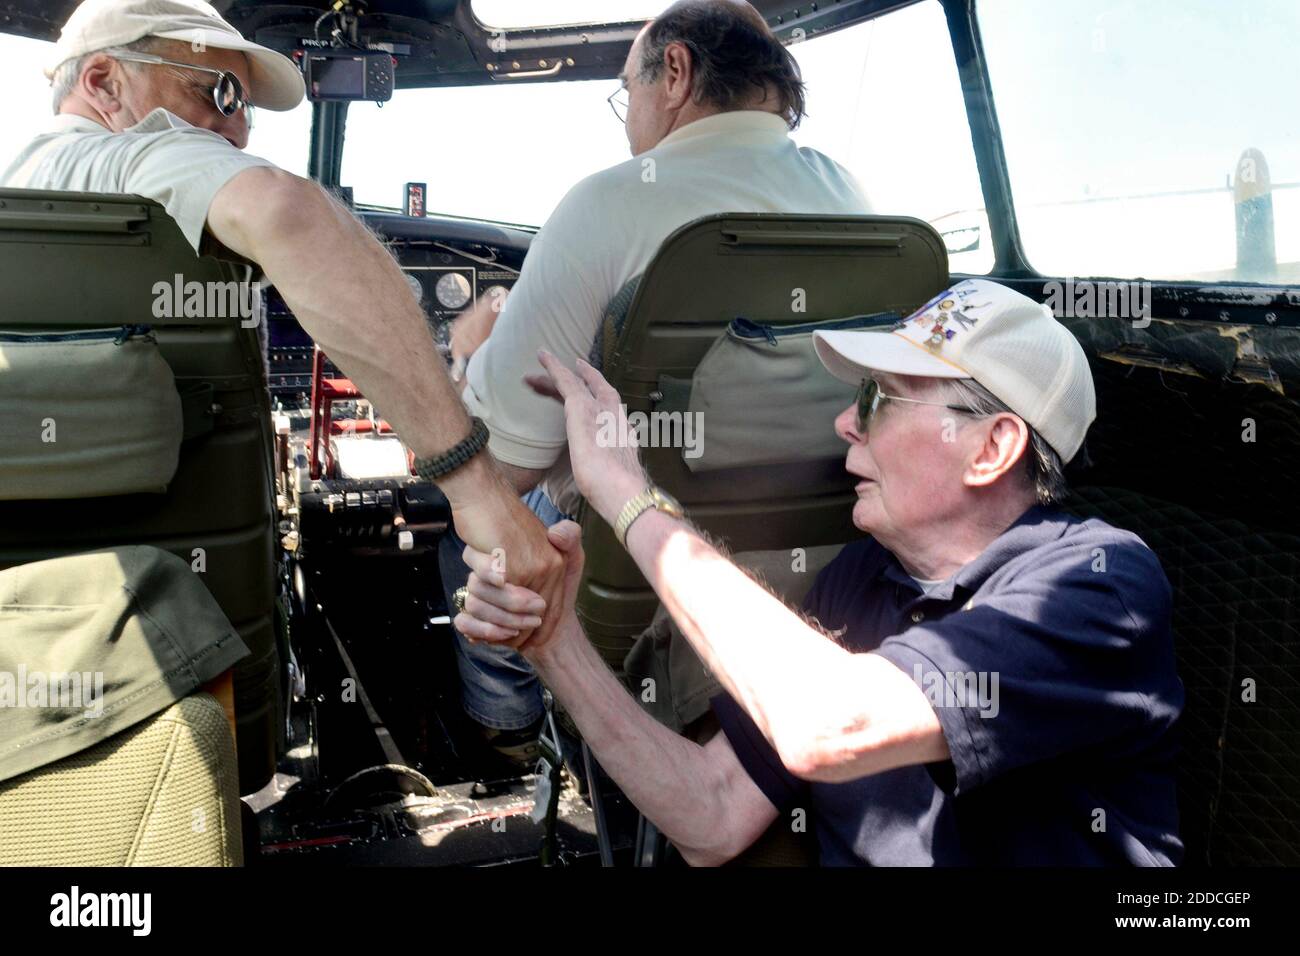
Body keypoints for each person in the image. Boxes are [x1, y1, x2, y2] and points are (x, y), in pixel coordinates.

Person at [454, 279, 1186, 865]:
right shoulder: (865, 577)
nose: (846, 422)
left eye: (877, 399)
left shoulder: (1095, 585)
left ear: (991, 448)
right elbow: (712, 816)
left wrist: (626, 495)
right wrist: (554, 642)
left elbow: (828, 724)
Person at [2, 0, 563, 637]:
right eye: (219, 93)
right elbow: (287, 213)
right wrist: (475, 488)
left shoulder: (30, 185)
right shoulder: (121, 159)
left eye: (245, 108)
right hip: (216, 626)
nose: (239, 131)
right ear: (105, 82)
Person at [441, 0, 872, 753]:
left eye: (626, 91)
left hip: (646, 598)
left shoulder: (608, 203)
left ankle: (513, 736)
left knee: (469, 522)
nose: (626, 118)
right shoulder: (853, 198)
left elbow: (499, 468)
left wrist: (468, 355)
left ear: (674, 72)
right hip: (842, 583)